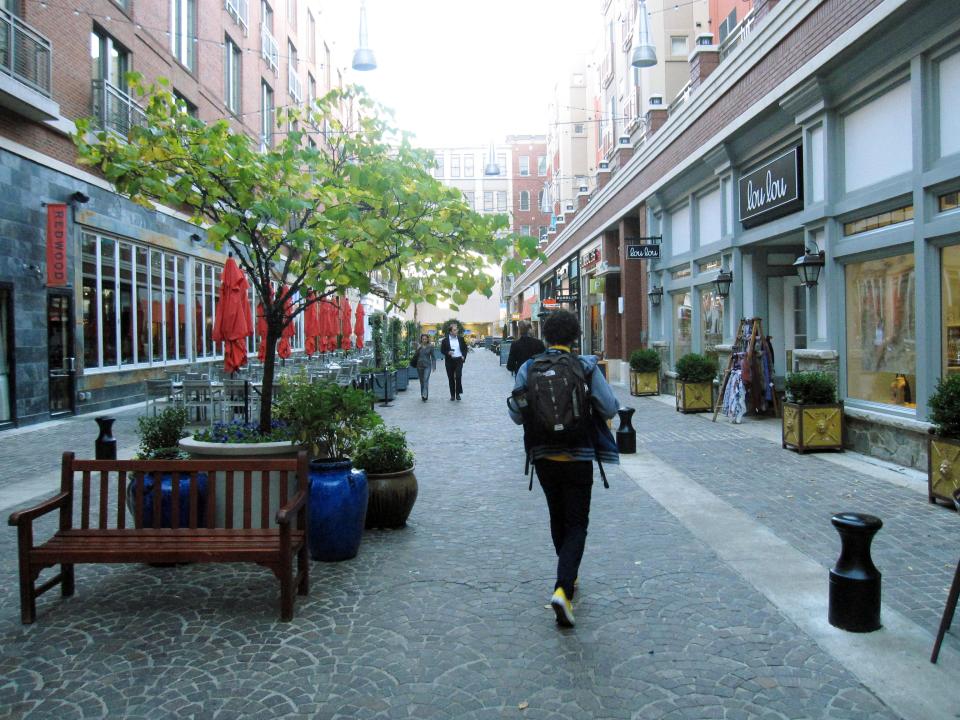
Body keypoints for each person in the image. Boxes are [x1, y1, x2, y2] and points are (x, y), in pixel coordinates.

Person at [507, 309, 619, 628]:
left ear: (545, 336)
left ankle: (566, 575)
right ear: (575, 337)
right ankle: (563, 588)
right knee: (578, 523)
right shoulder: (584, 365)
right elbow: (610, 406)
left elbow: (516, 414)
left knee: (558, 517)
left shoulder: (530, 367)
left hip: (543, 455)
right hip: (579, 454)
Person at [440, 321, 468, 401]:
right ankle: (452, 395)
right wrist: (448, 352)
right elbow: (442, 350)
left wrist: (463, 356)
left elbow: (465, 348)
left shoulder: (461, 339)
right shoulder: (445, 340)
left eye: (456, 330)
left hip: (459, 360)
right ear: (450, 331)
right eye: (455, 330)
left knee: (458, 376)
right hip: (449, 361)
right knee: (451, 378)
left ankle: (458, 394)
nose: (457, 331)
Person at [411, 334, 437, 401]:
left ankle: (424, 394)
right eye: (423, 339)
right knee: (422, 381)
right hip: (419, 366)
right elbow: (415, 355)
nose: (424, 340)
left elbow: (433, 357)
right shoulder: (418, 346)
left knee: (425, 380)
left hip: (427, 366)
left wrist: (434, 366)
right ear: (421, 339)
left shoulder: (430, 346)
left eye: (426, 339)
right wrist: (418, 348)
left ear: (428, 339)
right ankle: (423, 394)